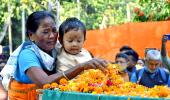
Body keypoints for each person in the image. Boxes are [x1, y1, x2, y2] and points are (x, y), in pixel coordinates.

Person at [0, 11, 108, 100]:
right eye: (46, 32)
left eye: (54, 30)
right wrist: (81, 66)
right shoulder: (27, 55)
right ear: (31, 35)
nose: (52, 36)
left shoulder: (56, 49)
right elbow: (44, 82)